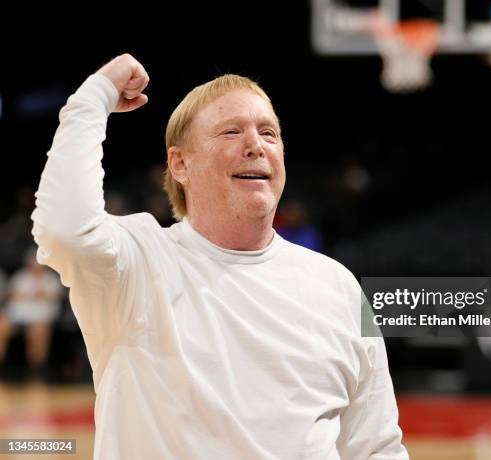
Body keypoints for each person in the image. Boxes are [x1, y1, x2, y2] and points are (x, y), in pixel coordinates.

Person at [31, 54, 408, 459]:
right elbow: (63, 227)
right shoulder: (138, 263)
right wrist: (95, 96)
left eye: (269, 133)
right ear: (180, 164)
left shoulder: (340, 286)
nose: (255, 146)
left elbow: (377, 446)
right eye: (231, 131)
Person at [0, 248, 63, 379]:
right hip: (18, 314)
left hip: (41, 316)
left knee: (37, 331)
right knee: (2, 325)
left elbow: (54, 297)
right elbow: (11, 295)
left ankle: (35, 369)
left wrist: (30, 296)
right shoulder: (21, 276)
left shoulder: (51, 279)